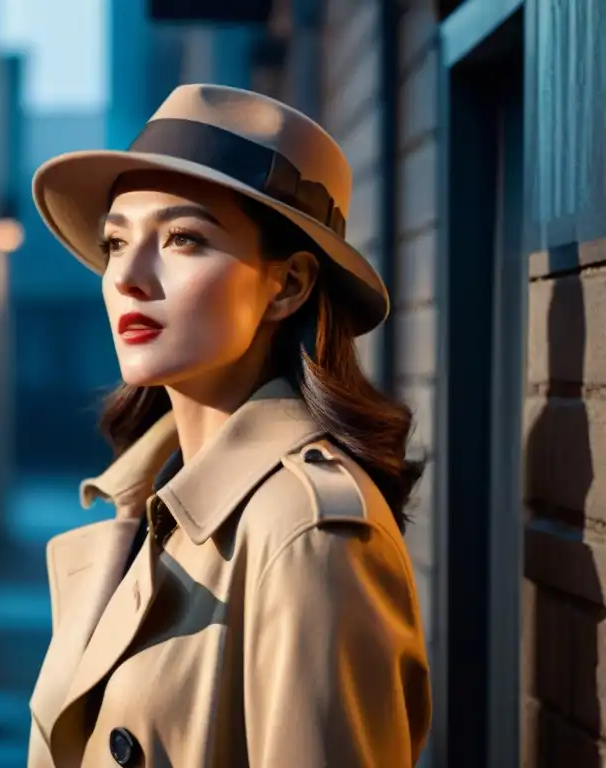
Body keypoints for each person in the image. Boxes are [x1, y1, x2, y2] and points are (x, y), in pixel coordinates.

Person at [26, 84, 432, 768]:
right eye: (116, 241)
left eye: (184, 239)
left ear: (289, 285)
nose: (129, 276)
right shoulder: (145, 499)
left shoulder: (306, 531)